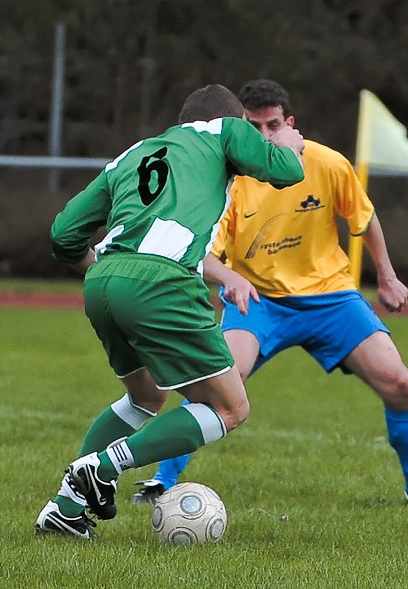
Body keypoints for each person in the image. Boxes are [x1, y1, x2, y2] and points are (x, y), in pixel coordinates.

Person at [129, 79, 408, 507]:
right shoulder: (228, 177)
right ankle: (161, 481)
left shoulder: (326, 163)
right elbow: (203, 254)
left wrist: (388, 276)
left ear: (290, 124)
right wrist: (230, 277)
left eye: (272, 126)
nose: (264, 136)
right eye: (253, 127)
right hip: (259, 303)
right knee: (211, 387)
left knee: (399, 383)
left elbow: (365, 219)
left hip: (331, 298)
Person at [36, 84, 306, 539]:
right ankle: (103, 466)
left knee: (146, 397)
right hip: (163, 283)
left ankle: (65, 509)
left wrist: (108, 273)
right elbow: (283, 172)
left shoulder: (132, 154)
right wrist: (289, 147)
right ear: (232, 119)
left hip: (104, 280)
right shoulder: (225, 130)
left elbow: (63, 235)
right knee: (230, 407)